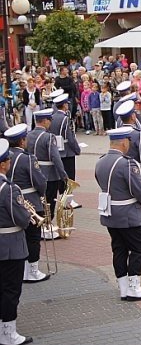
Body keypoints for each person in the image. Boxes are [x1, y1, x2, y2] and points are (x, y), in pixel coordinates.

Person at [96, 127, 141, 302]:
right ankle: (134, 287)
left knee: (119, 249)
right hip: (128, 215)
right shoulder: (126, 164)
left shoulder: (101, 161)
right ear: (123, 142)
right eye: (128, 141)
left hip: (110, 214)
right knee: (138, 248)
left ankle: (123, 288)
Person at [5, 124, 49, 283]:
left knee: (20, 236)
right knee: (33, 237)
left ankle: (23, 269)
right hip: (30, 202)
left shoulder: (6, 156)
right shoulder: (27, 158)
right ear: (22, 141)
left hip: (9, 202)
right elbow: (40, 182)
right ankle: (33, 270)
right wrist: (42, 193)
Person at [0, 138, 33, 345]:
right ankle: (8, 333)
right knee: (11, 291)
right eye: (8, 160)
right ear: (3, 164)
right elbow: (22, 219)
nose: (10, 162)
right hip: (10, 245)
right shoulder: (9, 189)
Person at [26, 109, 68, 238]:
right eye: (49, 120)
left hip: (33, 173)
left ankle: (39, 225)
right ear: (44, 121)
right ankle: (47, 226)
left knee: (39, 201)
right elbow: (55, 158)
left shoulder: (29, 135)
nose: (50, 123)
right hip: (50, 174)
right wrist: (64, 176)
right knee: (49, 202)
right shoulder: (48, 137)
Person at [49, 94, 81, 208]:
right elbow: (69, 137)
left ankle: (63, 198)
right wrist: (77, 149)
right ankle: (67, 200)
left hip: (56, 150)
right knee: (69, 176)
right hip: (66, 151)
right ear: (64, 105)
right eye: (67, 103)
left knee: (60, 176)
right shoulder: (65, 118)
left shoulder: (52, 116)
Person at [117, 101, 141, 188]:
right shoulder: (137, 134)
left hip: (120, 171)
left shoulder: (117, 133)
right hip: (137, 172)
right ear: (133, 116)